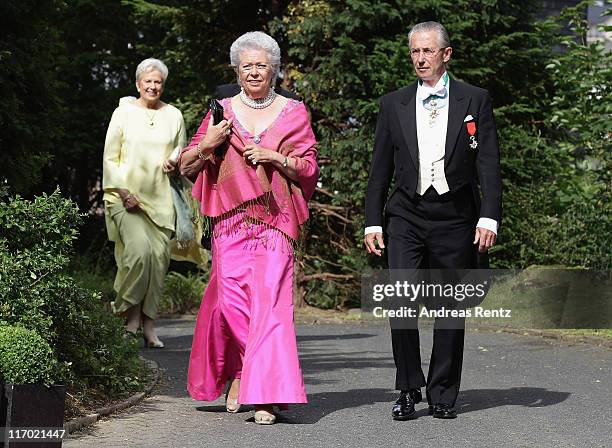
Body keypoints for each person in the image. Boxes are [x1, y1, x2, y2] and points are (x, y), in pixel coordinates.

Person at [364, 21, 502, 420]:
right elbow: (379, 169)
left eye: (427, 51)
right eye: (414, 52)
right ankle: (408, 387)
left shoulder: (474, 100)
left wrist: (488, 217)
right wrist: (373, 221)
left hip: (456, 216)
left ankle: (442, 393)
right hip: (405, 214)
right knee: (402, 302)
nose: (419, 58)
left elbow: (489, 164)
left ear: (446, 54)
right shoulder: (393, 103)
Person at [180, 31, 319, 425]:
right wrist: (208, 143)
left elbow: (308, 168)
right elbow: (188, 165)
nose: (255, 71)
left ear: (274, 69)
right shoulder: (221, 111)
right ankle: (245, 371)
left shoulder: (294, 112)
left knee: (272, 307)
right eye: (247, 66)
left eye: (262, 65)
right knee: (232, 304)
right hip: (229, 221)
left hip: (275, 219)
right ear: (236, 71)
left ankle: (266, 395)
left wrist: (276, 157)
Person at [103, 58, 199, 348]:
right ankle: (125, 315)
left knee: (158, 263)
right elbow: (110, 156)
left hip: (161, 199)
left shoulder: (175, 115)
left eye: (158, 82)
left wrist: (175, 163)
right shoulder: (122, 113)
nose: (153, 86)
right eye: (148, 81)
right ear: (138, 84)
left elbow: (182, 151)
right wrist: (122, 191)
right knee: (138, 255)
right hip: (124, 196)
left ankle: (148, 325)